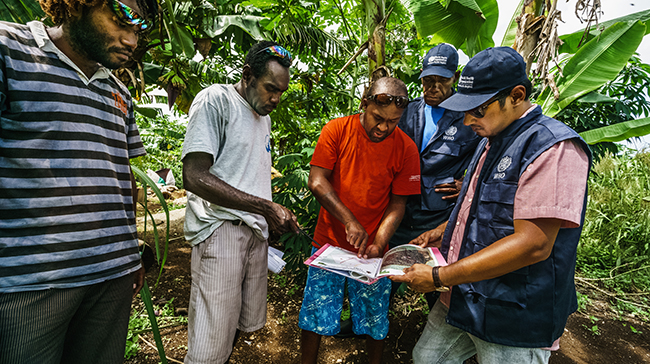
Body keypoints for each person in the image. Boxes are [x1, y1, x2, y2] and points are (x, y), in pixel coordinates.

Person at [391, 47, 592, 364]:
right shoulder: (490, 139)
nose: (468, 119)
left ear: (516, 95)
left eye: (479, 110)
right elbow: (484, 209)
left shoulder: (552, 147)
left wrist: (440, 277)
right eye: (466, 109)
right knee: (428, 357)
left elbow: (533, 244)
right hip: (465, 297)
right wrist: (444, 231)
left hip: (512, 310)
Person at [0, 0, 156, 362]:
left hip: (112, 277)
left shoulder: (119, 93)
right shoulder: (9, 49)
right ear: (75, 4)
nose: (131, 40)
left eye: (138, 31)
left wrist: (130, 253)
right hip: (32, 282)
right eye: (121, 22)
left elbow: (121, 179)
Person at [181, 41, 299, 364]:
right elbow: (193, 176)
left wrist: (270, 220)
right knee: (208, 342)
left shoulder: (264, 118)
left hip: (253, 235)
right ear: (247, 75)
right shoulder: (216, 101)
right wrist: (264, 208)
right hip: (221, 232)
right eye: (270, 89)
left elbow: (248, 175)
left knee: (233, 328)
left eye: (281, 92)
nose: (276, 99)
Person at [299, 77, 422, 364]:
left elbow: (398, 203)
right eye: (378, 118)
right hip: (328, 242)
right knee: (315, 313)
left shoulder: (406, 149)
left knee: (374, 317)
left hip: (371, 252)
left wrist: (379, 242)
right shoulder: (337, 130)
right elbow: (317, 181)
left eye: (393, 121)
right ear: (364, 104)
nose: (383, 127)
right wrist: (349, 221)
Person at [388, 43, 480, 307]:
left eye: (442, 81)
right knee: (390, 270)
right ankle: (371, 326)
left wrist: (467, 186)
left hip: (438, 214)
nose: (433, 87)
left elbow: (483, 158)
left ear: (456, 78)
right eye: (428, 81)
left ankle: (438, 331)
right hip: (401, 206)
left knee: (435, 278)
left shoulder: (467, 118)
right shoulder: (407, 111)